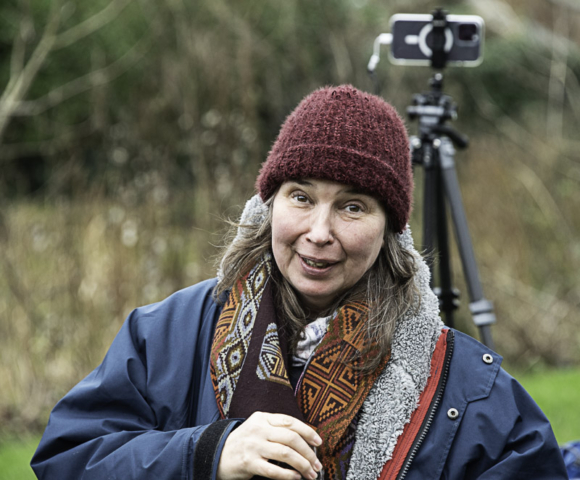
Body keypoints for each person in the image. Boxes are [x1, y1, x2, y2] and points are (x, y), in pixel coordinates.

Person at [31, 85, 568, 480]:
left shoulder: (464, 386)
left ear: (391, 230)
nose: (319, 232)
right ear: (270, 204)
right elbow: (68, 459)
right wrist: (207, 453)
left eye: (352, 207)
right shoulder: (167, 333)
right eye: (301, 197)